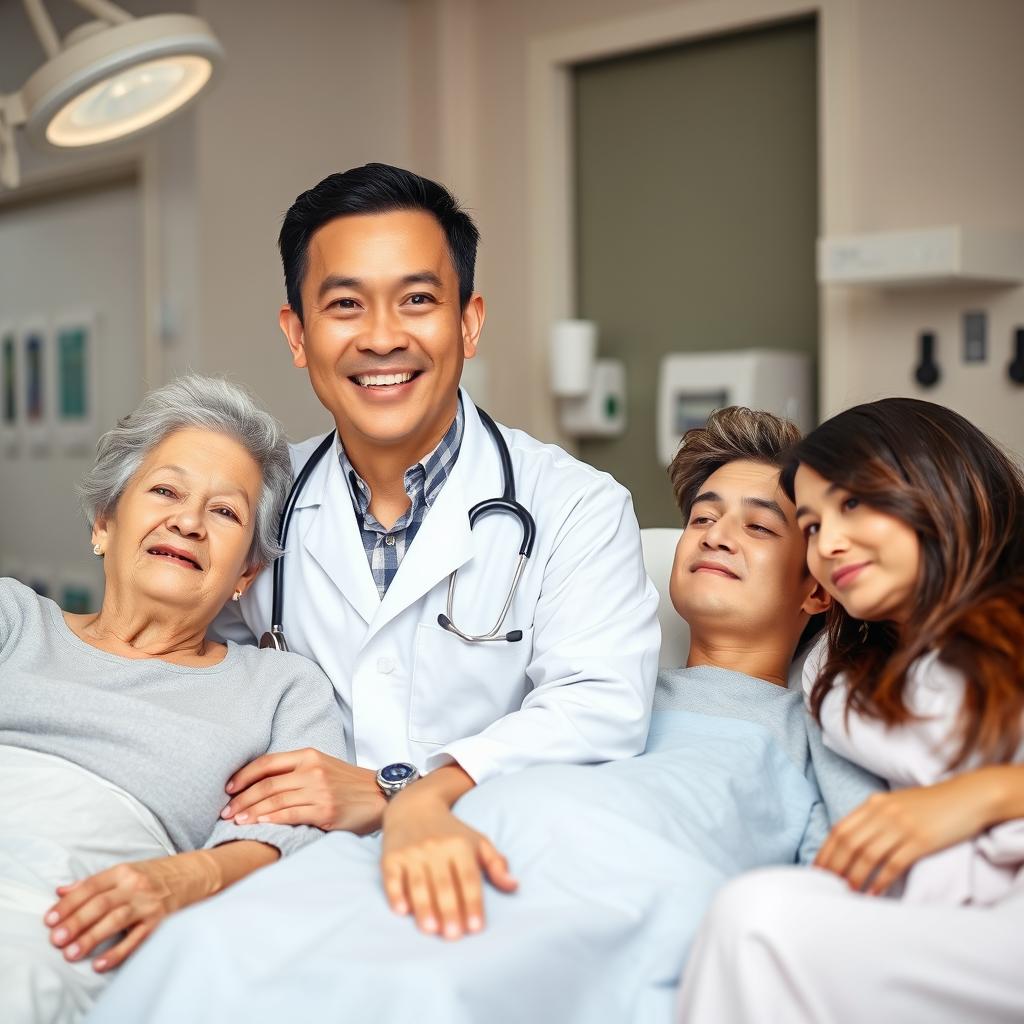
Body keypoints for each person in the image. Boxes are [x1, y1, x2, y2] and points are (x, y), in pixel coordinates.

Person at [88, 408, 881, 1024]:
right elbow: (466, 761)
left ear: (817, 588)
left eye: (760, 525)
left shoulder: (817, 731)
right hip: (436, 850)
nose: (715, 534)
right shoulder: (581, 686)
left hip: (575, 900)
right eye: (703, 515)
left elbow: (860, 888)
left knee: (408, 996)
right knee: (206, 948)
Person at [201, 162, 661, 937]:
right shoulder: (254, 501)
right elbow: (208, 683)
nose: (383, 337)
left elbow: (600, 706)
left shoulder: (575, 505)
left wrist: (405, 789)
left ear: (470, 322)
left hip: (489, 867)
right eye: (344, 304)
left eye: (418, 300)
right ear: (297, 334)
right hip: (294, 872)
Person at [0, 375, 348, 1024]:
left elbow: (290, 831)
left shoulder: (277, 689)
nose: (187, 521)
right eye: (165, 491)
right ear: (104, 522)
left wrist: (181, 880)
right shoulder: (12, 619)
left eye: (225, 512)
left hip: (57, 920)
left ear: (246, 571)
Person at [678, 398, 1024, 1024]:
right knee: (751, 911)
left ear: (937, 484)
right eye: (810, 527)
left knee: (759, 922)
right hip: (939, 918)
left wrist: (989, 794)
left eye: (853, 505)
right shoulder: (837, 679)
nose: (830, 543)